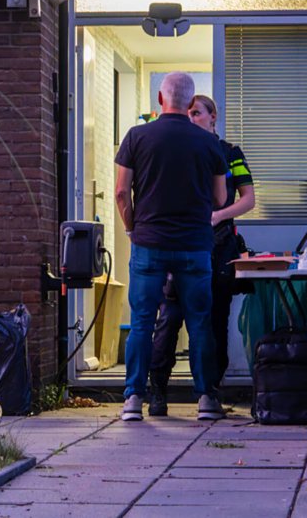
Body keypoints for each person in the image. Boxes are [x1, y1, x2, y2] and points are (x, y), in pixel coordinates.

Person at [114, 72, 229, 422]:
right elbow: (221, 198)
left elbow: (121, 192)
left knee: (143, 321)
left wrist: (134, 230)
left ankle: (134, 398)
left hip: (149, 243)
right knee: (200, 323)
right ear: (191, 104)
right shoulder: (209, 143)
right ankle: (206, 398)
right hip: (195, 245)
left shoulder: (137, 136)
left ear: (161, 100)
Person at [147, 94, 256, 416]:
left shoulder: (230, 153)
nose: (192, 118)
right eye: (188, 113)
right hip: (179, 247)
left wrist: (219, 216)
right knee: (169, 320)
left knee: (215, 323)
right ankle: (157, 395)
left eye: (197, 113)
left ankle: (210, 394)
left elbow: (248, 199)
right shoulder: (178, 149)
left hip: (219, 247)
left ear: (213, 118)